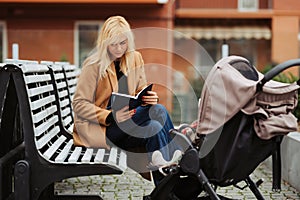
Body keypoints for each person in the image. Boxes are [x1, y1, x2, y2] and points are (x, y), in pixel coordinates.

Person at [72, 15, 181, 184]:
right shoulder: (93, 65)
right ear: (105, 42)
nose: (118, 49)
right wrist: (110, 116)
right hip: (104, 129)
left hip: (130, 121)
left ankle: (165, 189)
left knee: (155, 125)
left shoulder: (135, 58)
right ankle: (178, 154)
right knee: (158, 113)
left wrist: (148, 98)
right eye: (113, 44)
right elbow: (79, 104)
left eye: (123, 43)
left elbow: (139, 91)